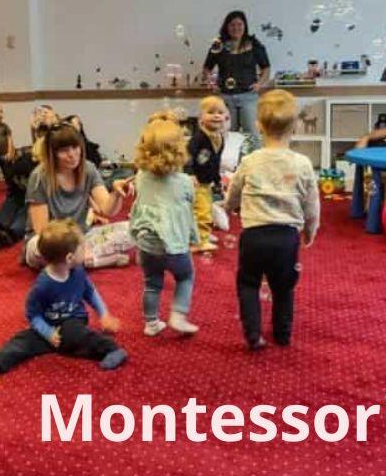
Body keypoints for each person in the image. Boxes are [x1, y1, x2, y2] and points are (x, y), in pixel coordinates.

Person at [224, 89, 320, 351]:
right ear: (295, 126)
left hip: (253, 235)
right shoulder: (302, 163)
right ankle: (283, 333)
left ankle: (253, 334)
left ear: (258, 126)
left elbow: (234, 191)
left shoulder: (250, 160)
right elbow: (311, 203)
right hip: (286, 238)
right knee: (283, 287)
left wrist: (228, 208)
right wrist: (310, 229)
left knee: (248, 283)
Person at [0, 219, 127, 377]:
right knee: (22, 341)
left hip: (73, 320)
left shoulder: (78, 272)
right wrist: (47, 332)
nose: (86, 250)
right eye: (82, 248)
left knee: (75, 334)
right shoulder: (43, 285)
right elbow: (33, 314)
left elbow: (91, 293)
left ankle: (112, 349)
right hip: (48, 325)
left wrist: (103, 314)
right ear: (69, 258)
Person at [23, 123, 134, 269]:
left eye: (75, 147)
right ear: (52, 154)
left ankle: (76, 261)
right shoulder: (39, 177)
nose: (72, 154)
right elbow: (42, 231)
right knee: (38, 249)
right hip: (50, 241)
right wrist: (73, 247)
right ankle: (96, 261)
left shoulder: (88, 169)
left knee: (134, 230)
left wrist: (116, 193)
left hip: (81, 237)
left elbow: (108, 210)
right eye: (64, 150)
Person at [129, 118, 200, 338]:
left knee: (152, 284)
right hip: (174, 246)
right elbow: (189, 207)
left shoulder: (141, 177)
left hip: (147, 245)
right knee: (185, 276)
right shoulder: (185, 181)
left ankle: (151, 323)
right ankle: (178, 315)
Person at [202, 10, 271, 149]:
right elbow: (206, 68)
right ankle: (229, 162)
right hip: (225, 97)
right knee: (227, 135)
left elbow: (266, 67)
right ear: (227, 27)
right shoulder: (219, 45)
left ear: (245, 26)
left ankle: (254, 161)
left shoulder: (254, 44)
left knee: (252, 135)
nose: (236, 28)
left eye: (239, 24)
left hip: (249, 96)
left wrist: (260, 84)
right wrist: (211, 83)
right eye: (232, 25)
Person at [186, 95, 227, 252]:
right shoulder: (198, 138)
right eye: (211, 112)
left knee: (206, 208)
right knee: (202, 210)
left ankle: (201, 234)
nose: (216, 116)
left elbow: (216, 160)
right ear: (201, 118)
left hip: (207, 181)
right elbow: (188, 156)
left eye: (220, 113)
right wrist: (190, 173)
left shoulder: (219, 137)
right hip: (197, 180)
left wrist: (217, 179)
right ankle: (199, 241)